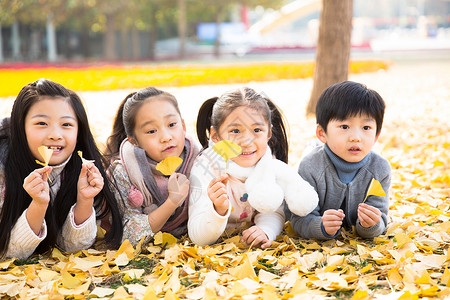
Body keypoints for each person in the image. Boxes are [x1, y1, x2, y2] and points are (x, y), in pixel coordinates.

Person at [0, 78, 123, 260]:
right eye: (41, 123)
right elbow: (9, 253)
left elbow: (74, 247)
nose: (55, 135)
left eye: (66, 125)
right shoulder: (3, 172)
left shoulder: (81, 169)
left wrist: (84, 200)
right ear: (20, 128)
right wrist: (38, 205)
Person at [189, 87, 318, 249]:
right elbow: (198, 238)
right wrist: (218, 210)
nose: (247, 141)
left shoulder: (267, 163)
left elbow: (273, 210)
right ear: (215, 135)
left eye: (257, 130)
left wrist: (265, 230)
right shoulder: (207, 167)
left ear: (269, 133)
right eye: (235, 131)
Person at [289, 81, 391, 240]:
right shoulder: (310, 167)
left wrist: (371, 225)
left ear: (376, 135)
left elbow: (381, 216)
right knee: (310, 155)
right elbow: (299, 218)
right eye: (344, 127)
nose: (356, 137)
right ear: (322, 133)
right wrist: (320, 226)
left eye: (366, 128)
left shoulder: (380, 169)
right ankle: (312, 145)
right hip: (314, 160)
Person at [105, 87, 200, 245]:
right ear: (133, 140)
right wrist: (172, 202)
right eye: (151, 131)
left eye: (171, 124)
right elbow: (128, 234)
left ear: (183, 126)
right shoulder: (124, 172)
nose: (166, 137)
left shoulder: (199, 160)